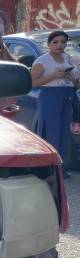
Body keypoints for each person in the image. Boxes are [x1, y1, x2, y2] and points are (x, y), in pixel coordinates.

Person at [31, 30, 79, 169]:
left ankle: (60, 169)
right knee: (51, 132)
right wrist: (54, 76)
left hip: (67, 96)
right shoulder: (42, 61)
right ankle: (48, 168)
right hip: (50, 97)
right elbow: (33, 82)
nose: (60, 45)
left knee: (64, 133)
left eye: (63, 42)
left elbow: (76, 84)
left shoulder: (68, 59)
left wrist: (71, 78)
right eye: (55, 42)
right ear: (49, 44)